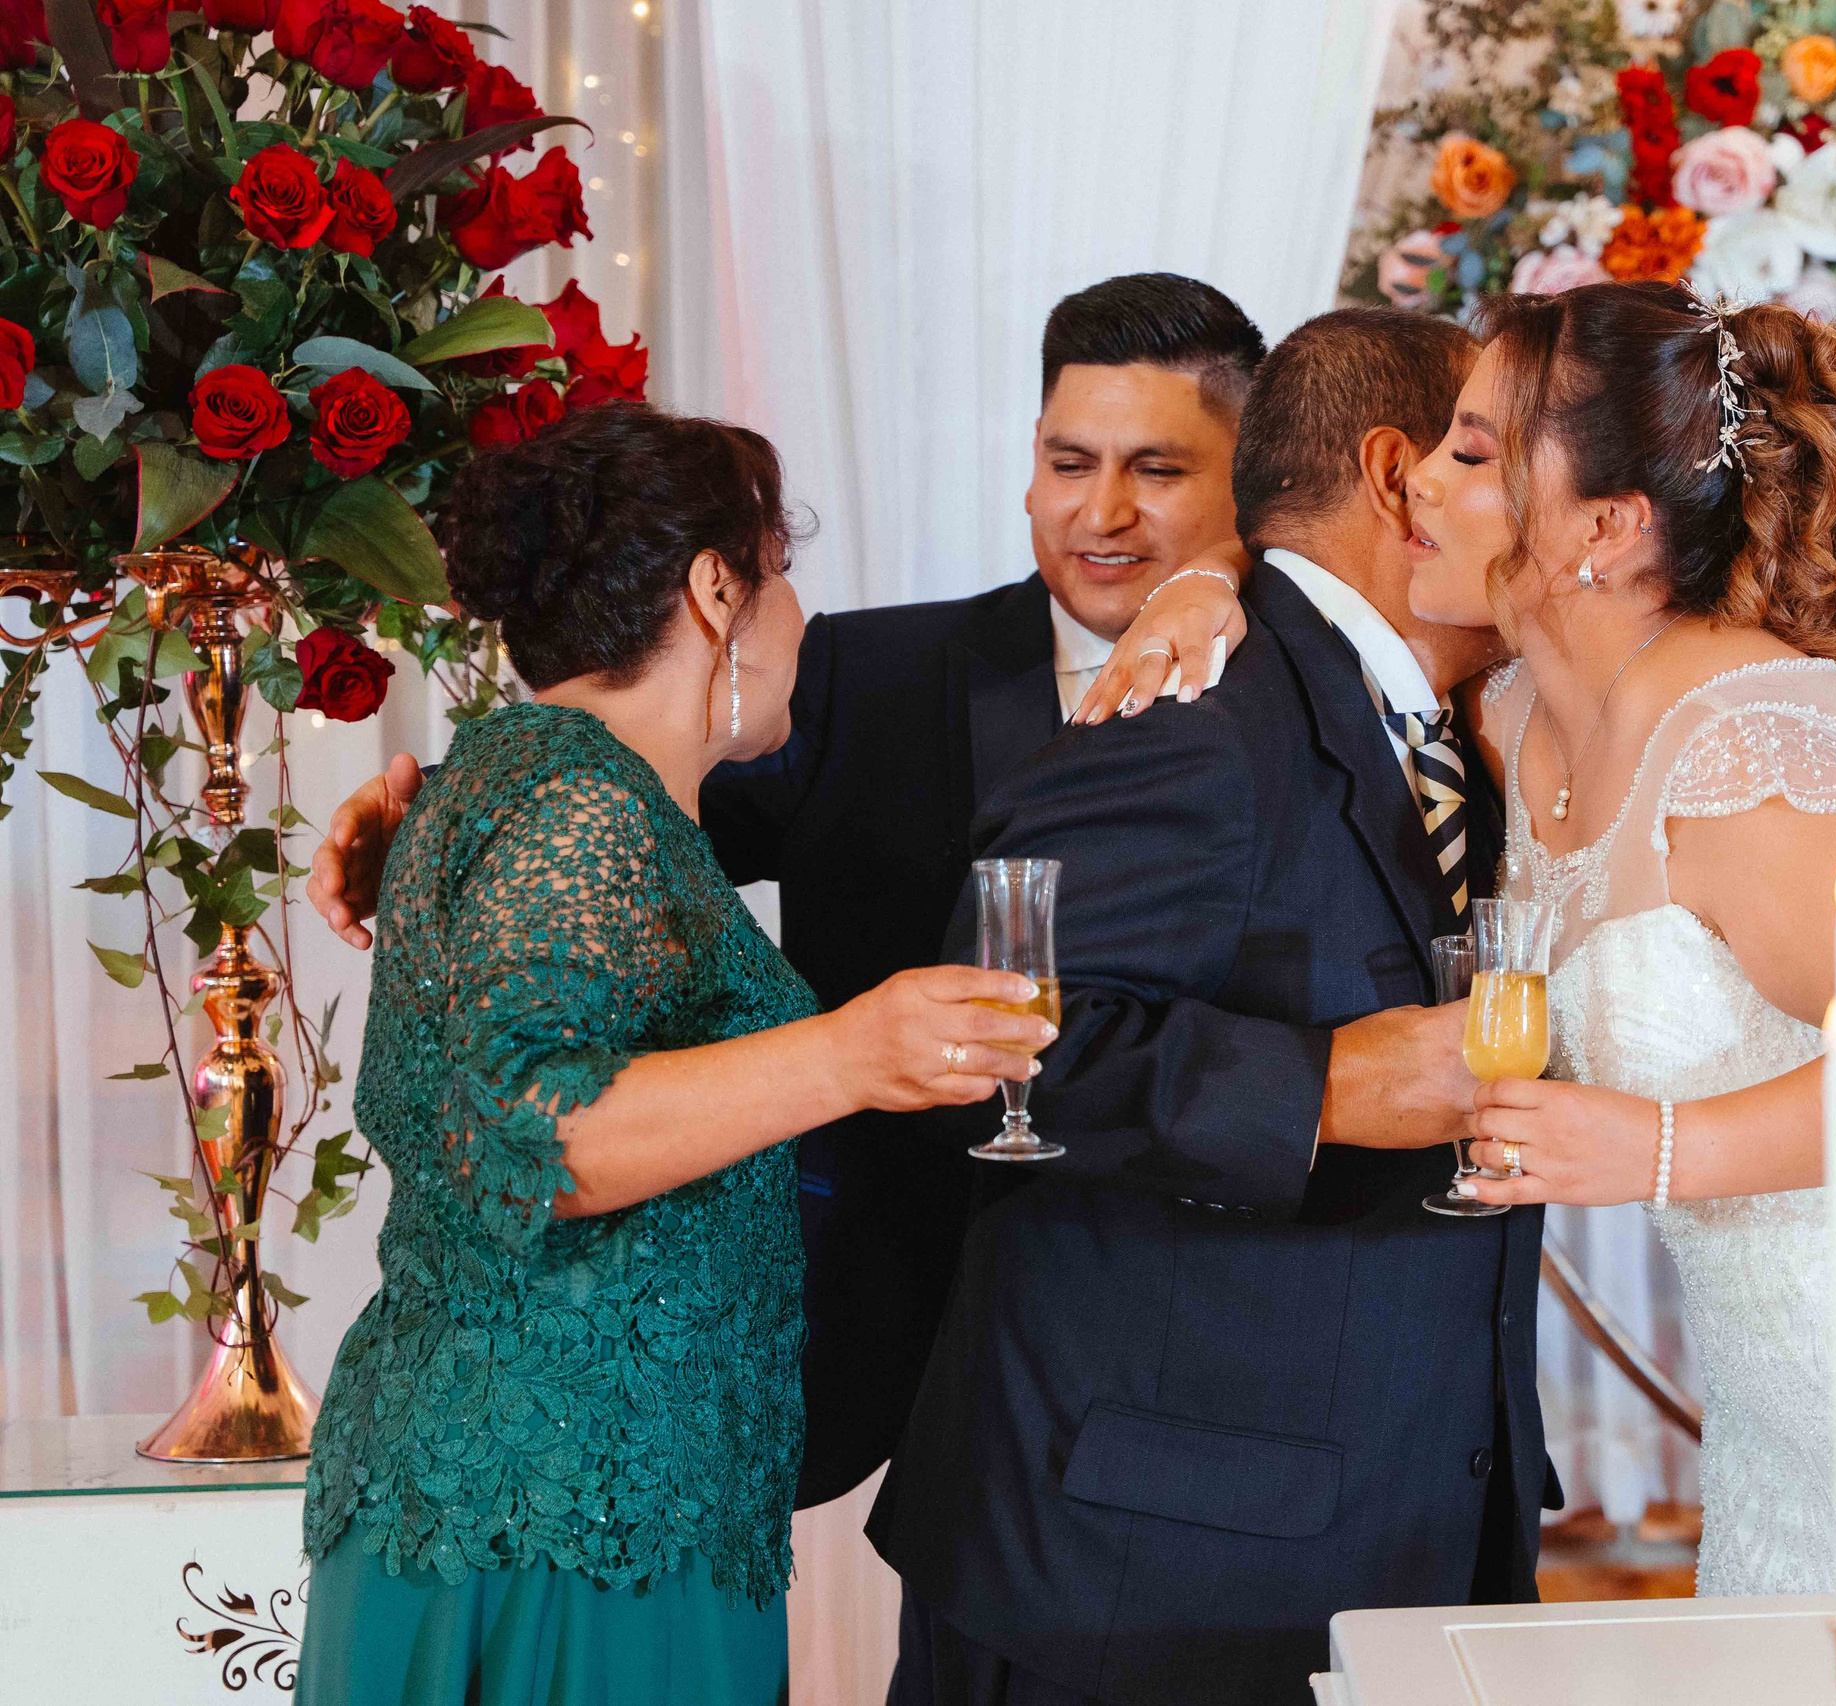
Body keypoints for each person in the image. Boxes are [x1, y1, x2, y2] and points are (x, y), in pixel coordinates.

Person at [1125, 282, 1836, 1593]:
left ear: (1603, 528)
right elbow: (1325, 602)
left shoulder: (1740, 742)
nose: (1418, 487)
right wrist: (1202, 584)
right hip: (1795, 1407)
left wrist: (1659, 1145)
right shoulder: (1512, 712)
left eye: (1477, 453)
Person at [305, 273, 1260, 1511]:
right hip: (906, 1360)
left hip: (1215, 1358)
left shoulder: (1308, 689)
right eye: (1070, 460)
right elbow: (625, 798)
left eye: (1163, 471)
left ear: (1248, 482)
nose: (1104, 510)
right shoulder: (862, 676)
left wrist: (1233, 577)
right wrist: (435, 808)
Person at [294, 405, 1052, 1706]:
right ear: (716, 589)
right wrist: (849, 1052)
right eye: (783, 570)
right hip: (570, 1519)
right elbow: (534, 1129)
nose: (803, 617)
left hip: (561, 1494)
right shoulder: (578, 800)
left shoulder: (544, 783)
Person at [869, 307, 1542, 1706]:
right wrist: (1325, 1089)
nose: (1536, 507)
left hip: (1356, 1531)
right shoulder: (1195, 706)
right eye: (1499, 458)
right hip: (1137, 1575)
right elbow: (997, 1026)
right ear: (1397, 473)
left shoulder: (1449, 722)